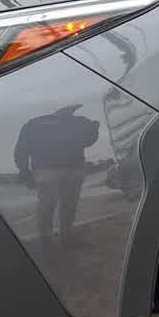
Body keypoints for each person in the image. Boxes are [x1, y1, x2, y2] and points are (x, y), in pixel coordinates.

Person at [14, 105, 100, 245]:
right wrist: (94, 129)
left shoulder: (34, 123)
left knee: (56, 204)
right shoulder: (76, 122)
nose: (71, 113)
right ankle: (56, 237)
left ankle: (54, 238)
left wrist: (23, 169)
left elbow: (22, 148)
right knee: (59, 204)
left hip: (58, 168)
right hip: (64, 168)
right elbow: (87, 141)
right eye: (70, 111)